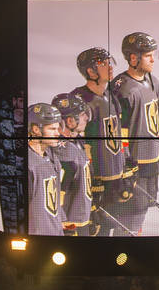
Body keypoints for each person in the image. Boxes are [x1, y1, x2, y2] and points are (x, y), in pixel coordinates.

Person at [110, 31, 159, 235]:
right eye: (148, 55)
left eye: (153, 54)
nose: (153, 59)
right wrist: (124, 162)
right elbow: (118, 132)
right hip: (133, 165)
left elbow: (154, 120)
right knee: (129, 216)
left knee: (142, 210)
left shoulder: (153, 81)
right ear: (133, 58)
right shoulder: (122, 89)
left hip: (150, 161)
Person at [72, 47, 131, 235]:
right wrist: (90, 179)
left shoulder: (110, 95)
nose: (110, 67)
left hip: (114, 177)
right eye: (104, 64)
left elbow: (118, 134)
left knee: (108, 228)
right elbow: (76, 146)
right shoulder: (79, 101)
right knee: (96, 233)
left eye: (109, 62)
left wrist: (126, 164)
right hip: (95, 180)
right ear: (91, 71)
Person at [50, 92, 95, 236]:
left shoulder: (75, 143)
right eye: (82, 115)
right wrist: (63, 222)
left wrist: (91, 211)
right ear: (70, 121)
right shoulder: (65, 151)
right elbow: (58, 192)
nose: (86, 118)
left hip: (80, 218)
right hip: (70, 224)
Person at [27, 102, 64, 236]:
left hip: (56, 233)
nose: (57, 133)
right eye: (52, 129)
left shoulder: (51, 156)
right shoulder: (28, 164)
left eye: (58, 128)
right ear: (36, 129)